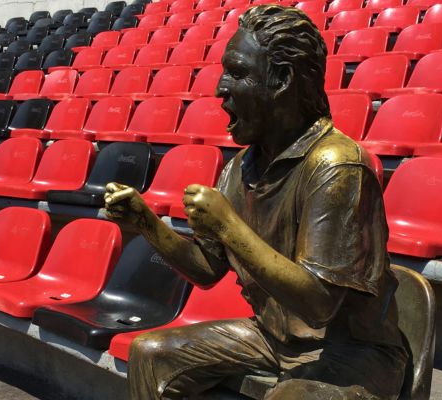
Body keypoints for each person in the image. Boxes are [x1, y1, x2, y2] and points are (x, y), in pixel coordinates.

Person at [104, 5, 408, 399]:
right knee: (151, 353)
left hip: (353, 352)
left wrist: (228, 224)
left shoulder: (337, 165)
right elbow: (207, 271)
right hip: (272, 338)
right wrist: (146, 222)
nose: (220, 89)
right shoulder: (241, 168)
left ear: (281, 79)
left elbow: (319, 305)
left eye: (237, 72)